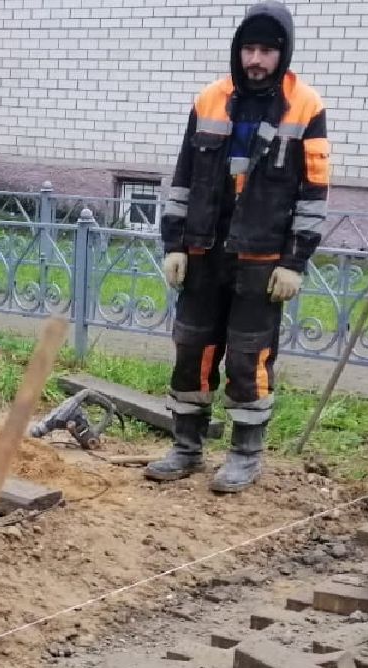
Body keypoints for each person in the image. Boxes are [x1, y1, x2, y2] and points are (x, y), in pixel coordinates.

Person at [147, 1, 331, 492]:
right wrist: (175, 244)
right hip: (204, 253)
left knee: (250, 359)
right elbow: (183, 179)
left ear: (283, 53)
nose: (256, 59)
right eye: (249, 48)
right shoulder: (209, 99)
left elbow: (313, 194)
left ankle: (245, 455)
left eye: (267, 51)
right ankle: (186, 448)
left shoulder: (306, 107)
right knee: (192, 351)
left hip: (262, 260)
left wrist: (295, 262)